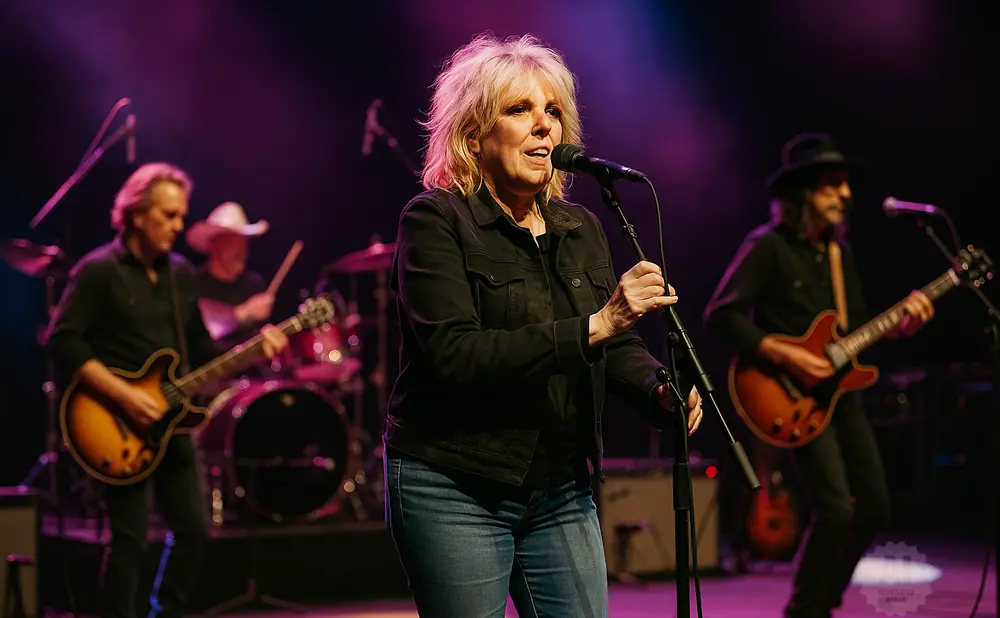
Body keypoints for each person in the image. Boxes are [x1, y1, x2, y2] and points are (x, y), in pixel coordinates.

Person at [382, 33, 703, 618]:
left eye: (553, 111)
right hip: (456, 483)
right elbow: (456, 355)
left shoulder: (579, 227)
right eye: (519, 110)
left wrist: (661, 388)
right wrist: (598, 326)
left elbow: (616, 341)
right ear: (473, 134)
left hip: (559, 484)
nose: (544, 127)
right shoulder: (435, 222)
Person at [703, 133, 935, 618]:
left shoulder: (839, 253)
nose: (845, 195)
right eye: (832, 185)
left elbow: (852, 330)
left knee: (874, 506)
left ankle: (822, 602)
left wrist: (899, 325)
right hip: (790, 396)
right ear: (804, 192)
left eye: (846, 186)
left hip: (839, 393)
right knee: (835, 508)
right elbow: (721, 315)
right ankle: (806, 610)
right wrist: (786, 355)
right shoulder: (766, 246)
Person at [45, 163, 289, 618]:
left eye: (180, 217)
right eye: (168, 216)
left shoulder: (179, 274)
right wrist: (123, 394)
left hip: (172, 423)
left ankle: (167, 612)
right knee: (130, 538)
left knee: (194, 530)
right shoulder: (97, 271)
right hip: (117, 425)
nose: (178, 227)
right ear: (136, 214)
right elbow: (63, 341)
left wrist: (252, 352)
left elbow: (198, 349)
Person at [185, 201, 274, 350]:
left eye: (244, 240)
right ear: (214, 244)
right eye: (233, 240)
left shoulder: (254, 284)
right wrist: (243, 313)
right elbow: (202, 328)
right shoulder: (191, 284)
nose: (242, 249)